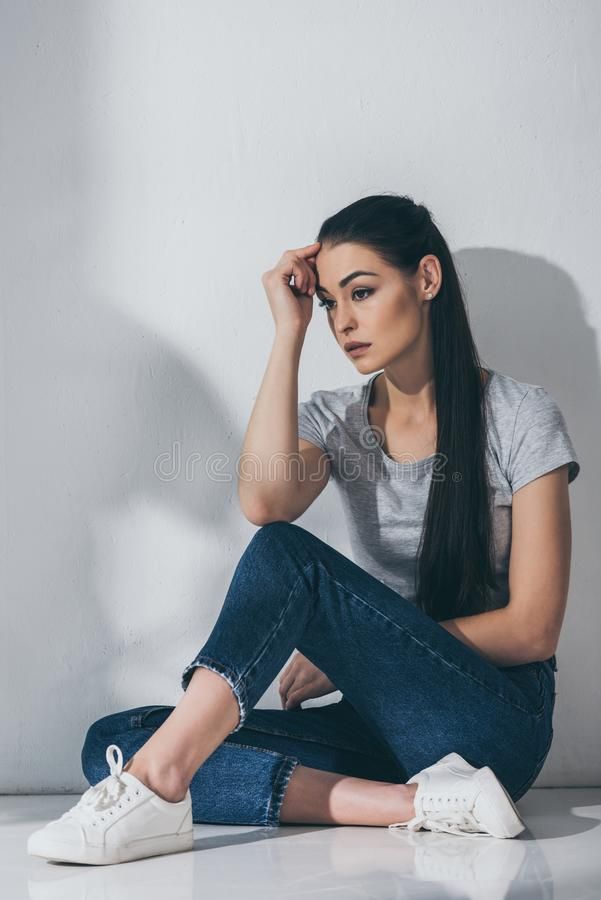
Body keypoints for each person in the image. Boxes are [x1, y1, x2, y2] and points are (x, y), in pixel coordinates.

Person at [28, 194, 580, 865]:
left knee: (287, 560)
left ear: (426, 280)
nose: (342, 321)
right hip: (387, 729)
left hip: (494, 723)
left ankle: (157, 785)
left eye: (361, 292)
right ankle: (426, 805)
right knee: (116, 739)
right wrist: (285, 334)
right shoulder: (339, 420)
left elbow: (532, 628)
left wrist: (361, 644)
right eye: (326, 304)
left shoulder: (521, 416)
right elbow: (263, 500)